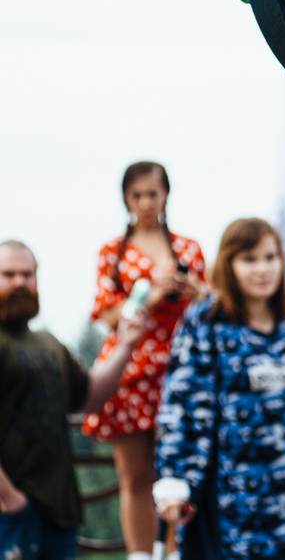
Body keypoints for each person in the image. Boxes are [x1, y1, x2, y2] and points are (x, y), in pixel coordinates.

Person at [153, 218, 285, 560]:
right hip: (239, 503)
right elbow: (184, 407)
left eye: (270, 257)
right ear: (229, 264)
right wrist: (176, 481)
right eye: (249, 259)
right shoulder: (206, 323)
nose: (262, 269)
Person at [84, 161, 206, 560]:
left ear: (166, 195)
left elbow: (211, 306)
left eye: (152, 193)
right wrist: (148, 296)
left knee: (178, 471)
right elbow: (106, 315)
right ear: (126, 199)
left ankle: (174, 552)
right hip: (131, 371)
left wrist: (193, 291)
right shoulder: (112, 253)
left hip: (180, 369)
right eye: (137, 195)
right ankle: (139, 554)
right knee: (135, 476)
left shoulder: (188, 249)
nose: (146, 203)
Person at [1, 240, 146, 560]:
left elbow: (90, 397)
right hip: (10, 516)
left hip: (59, 512)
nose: (19, 283)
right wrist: (8, 499)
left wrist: (126, 344)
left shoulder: (48, 344)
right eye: (8, 275)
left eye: (27, 275)